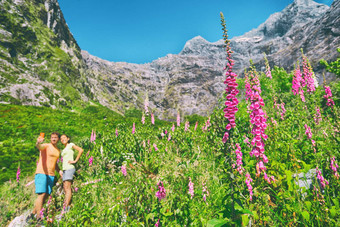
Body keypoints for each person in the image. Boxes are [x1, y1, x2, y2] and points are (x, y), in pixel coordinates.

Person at [27, 132, 62, 222]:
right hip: (41, 173)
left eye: (55, 138)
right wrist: (38, 142)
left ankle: (32, 214)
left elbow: (55, 162)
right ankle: (39, 218)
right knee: (41, 194)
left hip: (51, 175)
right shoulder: (46, 146)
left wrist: (59, 171)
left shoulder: (58, 150)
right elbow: (39, 146)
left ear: (58, 139)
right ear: (50, 138)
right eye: (52, 137)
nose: (53, 139)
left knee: (46, 196)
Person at [60, 134, 83, 212]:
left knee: (67, 187)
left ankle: (65, 208)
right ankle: (68, 207)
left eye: (64, 138)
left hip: (70, 168)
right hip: (65, 170)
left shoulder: (70, 145)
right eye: (61, 138)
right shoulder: (63, 149)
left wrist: (75, 161)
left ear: (68, 138)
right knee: (66, 188)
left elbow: (81, 150)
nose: (62, 139)